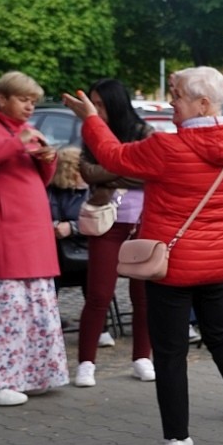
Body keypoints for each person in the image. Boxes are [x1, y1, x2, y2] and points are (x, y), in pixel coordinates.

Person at [64, 66, 223, 445]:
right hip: (220, 262)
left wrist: (90, 117)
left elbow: (112, 155)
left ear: (202, 103)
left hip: (171, 265)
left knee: (171, 352)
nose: (172, 101)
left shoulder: (167, 148)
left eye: (178, 95)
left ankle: (177, 438)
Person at [0, 70, 68, 406]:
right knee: (8, 309)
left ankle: (36, 373)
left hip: (33, 228)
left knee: (38, 305)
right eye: (24, 99)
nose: (30, 107)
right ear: (3, 98)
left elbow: (38, 178)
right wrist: (14, 144)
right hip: (5, 227)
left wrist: (48, 161)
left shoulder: (26, 130)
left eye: (33, 101)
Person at [75, 78, 156, 388]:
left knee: (143, 296)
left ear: (116, 103)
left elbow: (149, 172)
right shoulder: (91, 132)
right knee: (98, 294)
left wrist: (112, 170)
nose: (95, 109)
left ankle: (141, 357)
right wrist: (127, 167)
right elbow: (87, 172)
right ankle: (86, 363)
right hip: (105, 222)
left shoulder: (143, 132)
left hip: (143, 221)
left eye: (101, 103)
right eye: (92, 103)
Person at [48, 146, 90, 284]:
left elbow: (101, 222)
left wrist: (73, 227)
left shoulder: (92, 191)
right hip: (56, 254)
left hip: (86, 250)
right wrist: (54, 227)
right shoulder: (49, 192)